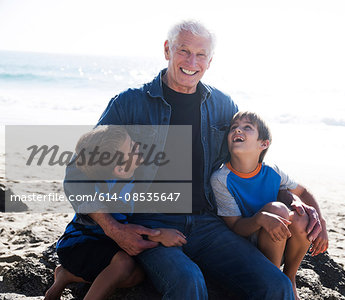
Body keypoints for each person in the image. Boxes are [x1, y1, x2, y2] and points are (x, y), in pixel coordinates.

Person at [64, 20, 323, 299]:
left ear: (210, 61)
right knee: (188, 282)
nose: (192, 61)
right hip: (151, 223)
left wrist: (290, 196)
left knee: (277, 286)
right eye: (184, 51)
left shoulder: (223, 106)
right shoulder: (129, 104)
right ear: (167, 50)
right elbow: (78, 172)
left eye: (200, 55)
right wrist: (115, 229)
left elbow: (247, 163)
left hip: (207, 224)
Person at [46, 125, 187, 300]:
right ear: (120, 169)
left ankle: (66, 276)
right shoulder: (106, 190)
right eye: (132, 147)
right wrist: (158, 234)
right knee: (123, 263)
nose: (138, 145)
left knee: (136, 276)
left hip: (103, 244)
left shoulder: (129, 181)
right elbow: (125, 231)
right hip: (78, 245)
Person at [210, 111, 329, 299]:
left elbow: (303, 193)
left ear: (263, 144)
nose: (238, 129)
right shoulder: (221, 178)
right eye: (234, 128)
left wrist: (321, 223)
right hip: (248, 242)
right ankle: (273, 280)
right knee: (277, 209)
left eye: (247, 127)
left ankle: (289, 278)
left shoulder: (272, 171)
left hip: (278, 241)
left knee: (301, 215)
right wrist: (260, 219)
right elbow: (235, 226)